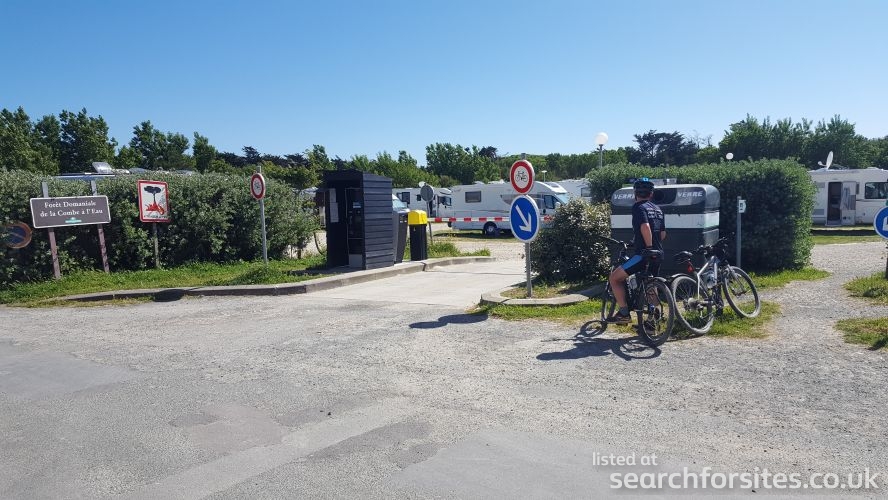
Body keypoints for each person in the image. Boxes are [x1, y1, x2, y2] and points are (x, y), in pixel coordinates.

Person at [607, 178, 667, 324]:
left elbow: (645, 227)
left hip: (644, 255)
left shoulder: (639, 207)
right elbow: (662, 234)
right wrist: (644, 243)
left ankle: (624, 314)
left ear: (635, 194)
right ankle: (653, 320)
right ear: (651, 194)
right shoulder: (657, 209)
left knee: (614, 278)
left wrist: (648, 247)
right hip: (658, 253)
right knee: (651, 284)